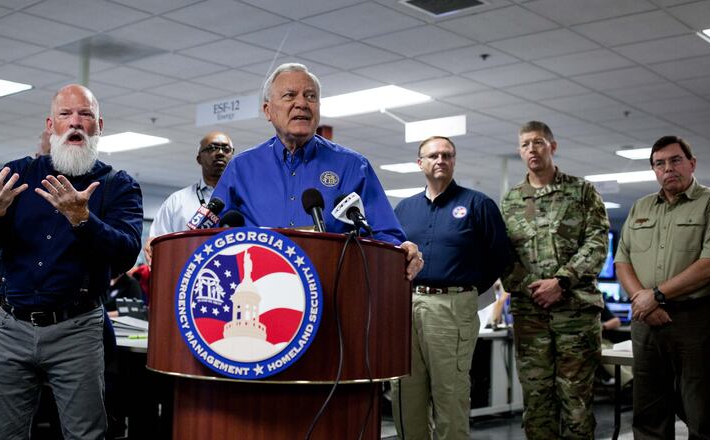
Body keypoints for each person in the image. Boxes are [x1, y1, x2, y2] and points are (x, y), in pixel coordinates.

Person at [0, 84, 143, 440]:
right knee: (1, 433)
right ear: (51, 125)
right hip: (12, 326)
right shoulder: (17, 175)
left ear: (98, 126)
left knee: (84, 434)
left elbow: (125, 253)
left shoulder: (116, 185)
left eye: (85, 115)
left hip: (77, 328)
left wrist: (83, 220)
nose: (75, 122)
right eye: (65, 114)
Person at [211, 63, 422, 278]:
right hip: (260, 287)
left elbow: (385, 234)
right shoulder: (240, 168)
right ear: (268, 110)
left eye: (310, 96)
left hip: (332, 285)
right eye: (289, 95)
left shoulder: (353, 166)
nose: (302, 103)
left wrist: (401, 249)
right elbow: (210, 236)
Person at [390, 136, 511, 439]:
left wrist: (468, 292)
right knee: (405, 393)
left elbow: (500, 257)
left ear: (454, 161)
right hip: (407, 307)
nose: (440, 160)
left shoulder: (478, 204)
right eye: (433, 156)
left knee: (449, 394)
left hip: (452, 307)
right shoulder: (404, 209)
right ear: (420, 163)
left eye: (447, 155)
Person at [614, 135, 710, 439]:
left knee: (703, 414)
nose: (668, 168)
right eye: (660, 163)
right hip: (647, 323)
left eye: (675, 160)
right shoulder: (640, 207)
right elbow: (622, 261)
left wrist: (656, 296)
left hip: (697, 321)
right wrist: (643, 301)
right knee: (649, 414)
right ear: (654, 170)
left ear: (692, 163)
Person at [501, 121, 609, 440]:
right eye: (525, 145)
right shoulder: (511, 200)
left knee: (576, 403)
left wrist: (561, 282)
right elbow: (503, 255)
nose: (531, 149)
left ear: (552, 146)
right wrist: (532, 288)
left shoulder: (582, 191)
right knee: (537, 404)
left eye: (538, 142)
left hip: (575, 314)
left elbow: (597, 242)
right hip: (530, 317)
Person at [144, 131, 234, 263]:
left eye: (226, 149)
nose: (220, 153)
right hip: (187, 271)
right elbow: (158, 248)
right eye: (212, 148)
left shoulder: (245, 198)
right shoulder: (177, 201)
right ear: (199, 158)